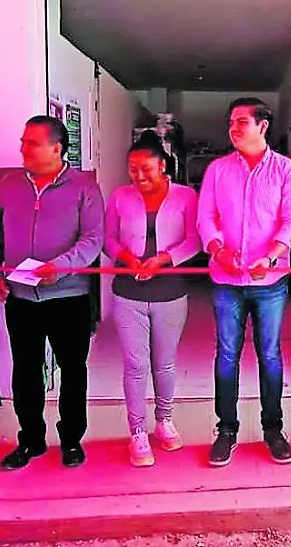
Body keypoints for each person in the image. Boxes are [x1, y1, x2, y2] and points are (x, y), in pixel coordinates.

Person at [0, 115, 104, 471]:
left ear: (56, 148)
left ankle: (72, 440)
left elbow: (93, 240)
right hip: (20, 297)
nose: (23, 149)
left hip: (68, 297)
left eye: (32, 143)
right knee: (25, 370)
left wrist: (60, 266)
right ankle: (31, 440)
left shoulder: (84, 187)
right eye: (23, 142)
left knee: (73, 369)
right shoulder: (10, 185)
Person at [197, 97, 291, 467]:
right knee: (227, 355)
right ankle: (226, 430)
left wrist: (271, 256)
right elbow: (206, 217)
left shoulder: (287, 170)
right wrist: (217, 250)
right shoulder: (217, 170)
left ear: (263, 126)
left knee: (269, 355)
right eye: (231, 122)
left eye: (242, 121)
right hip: (226, 279)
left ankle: (273, 429)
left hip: (269, 281)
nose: (234, 128)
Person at [103, 133, 201, 467]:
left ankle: (164, 420)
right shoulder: (119, 197)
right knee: (135, 364)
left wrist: (164, 259)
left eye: (146, 168)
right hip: (128, 292)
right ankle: (137, 432)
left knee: (165, 362)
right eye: (132, 169)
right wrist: (127, 259)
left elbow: (195, 240)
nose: (139, 176)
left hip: (170, 291)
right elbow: (108, 239)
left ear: (163, 166)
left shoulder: (186, 196)